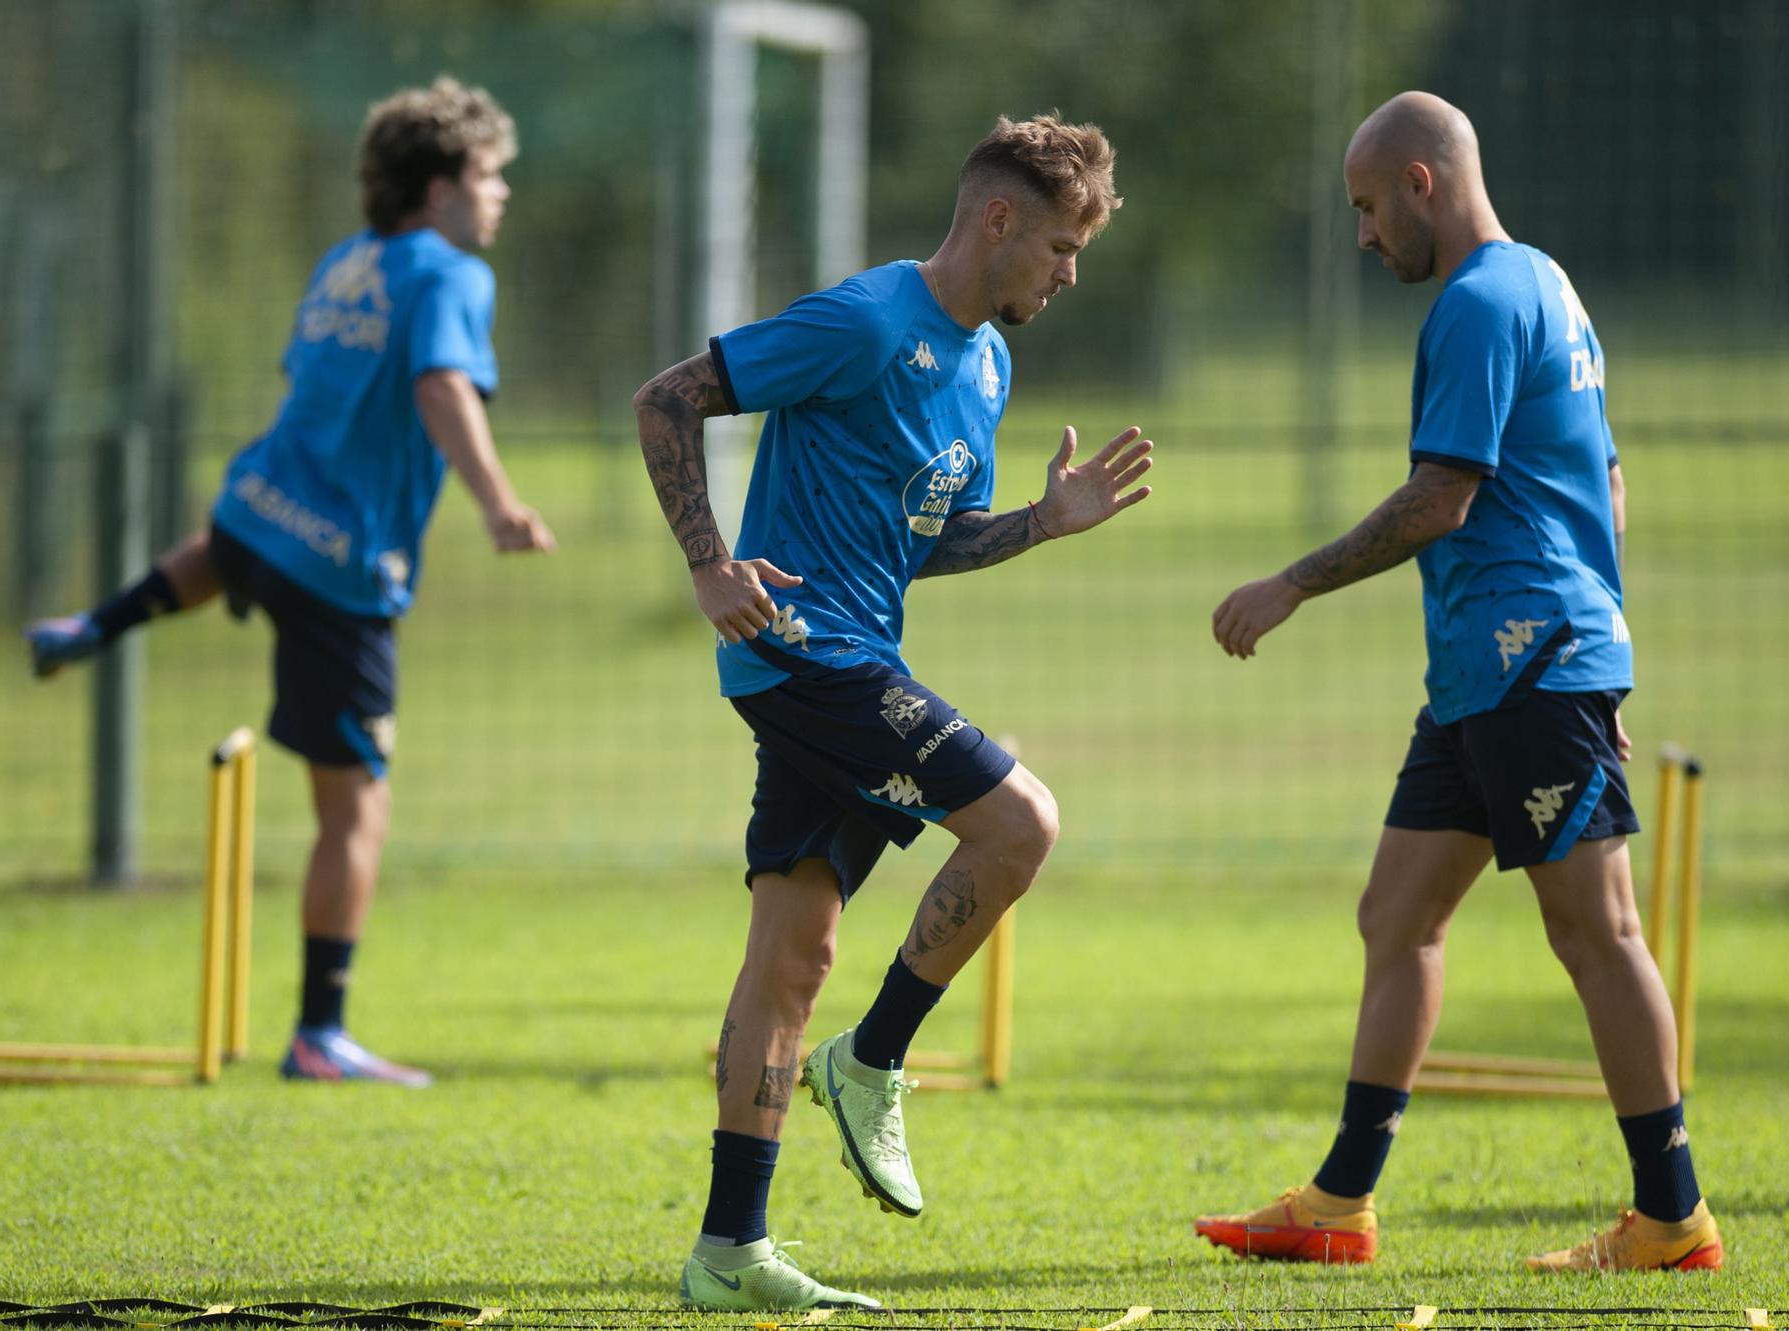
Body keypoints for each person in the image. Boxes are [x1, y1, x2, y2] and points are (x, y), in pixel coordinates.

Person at [1195, 91, 1721, 1273]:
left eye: (1369, 209)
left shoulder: (1478, 302)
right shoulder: (1548, 283)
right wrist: (1609, 652)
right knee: (1396, 914)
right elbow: (1610, 481)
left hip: (1527, 659)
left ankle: (1671, 1214)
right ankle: (1338, 1202)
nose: (1366, 235)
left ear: (1420, 185)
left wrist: (1288, 583)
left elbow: (1442, 496)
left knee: (1596, 932)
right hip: (1496, 675)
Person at [634, 113, 1151, 1311]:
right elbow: (667, 401)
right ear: (998, 218)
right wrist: (709, 560)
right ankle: (871, 1061)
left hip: (855, 653)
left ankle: (728, 1248)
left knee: (791, 952)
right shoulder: (864, 320)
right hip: (803, 657)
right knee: (1020, 822)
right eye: (1064, 245)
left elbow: (920, 542)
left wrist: (1038, 522)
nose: (1070, 274)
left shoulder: (985, 365)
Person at [23, 76, 554, 1087]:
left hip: (260, 505)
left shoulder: (346, 262)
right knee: (357, 812)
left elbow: (312, 383)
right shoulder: (448, 273)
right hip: (344, 564)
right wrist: (495, 501)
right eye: (490, 176)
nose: (501, 196)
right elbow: (439, 383)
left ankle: (94, 624)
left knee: (227, 550)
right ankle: (320, 1030)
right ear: (438, 190)